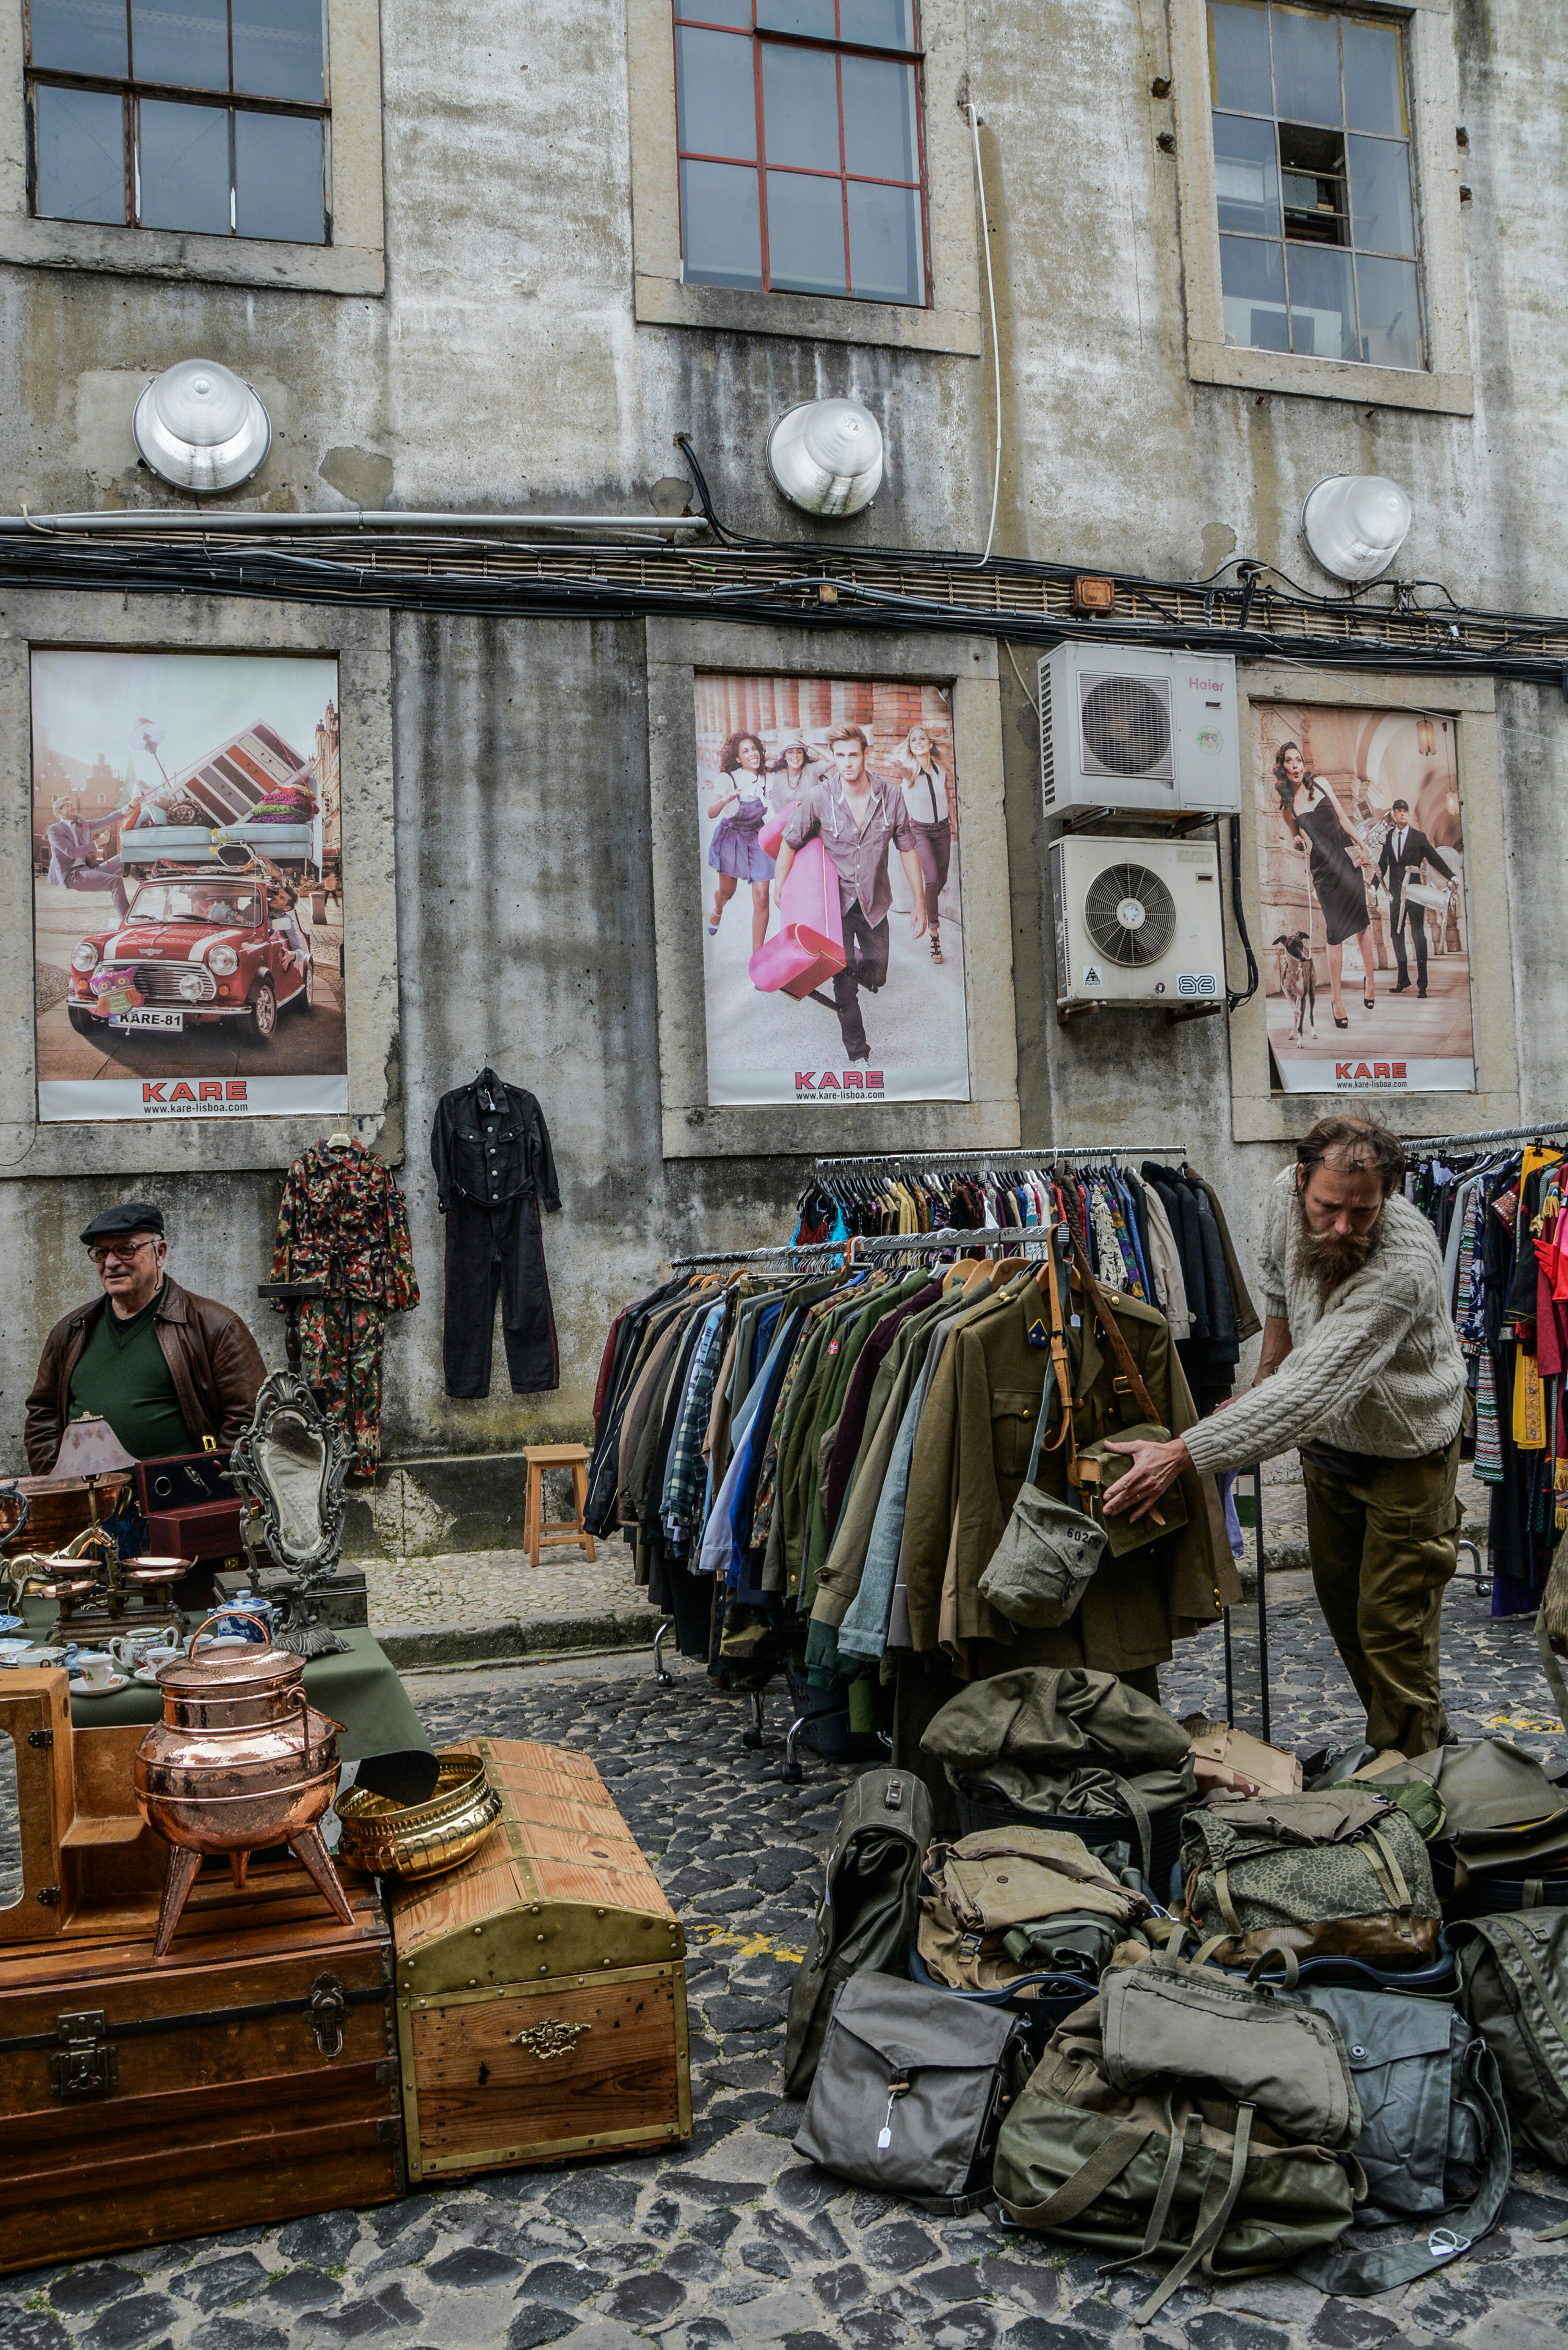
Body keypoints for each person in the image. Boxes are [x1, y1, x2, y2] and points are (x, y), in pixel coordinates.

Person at [1099, 1116, 1467, 1758]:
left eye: (1364, 1210)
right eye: (1329, 1206)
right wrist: (1265, 1370)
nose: (1344, 1225)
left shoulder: (1402, 1264)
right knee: (1349, 1616)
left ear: (1390, 1194)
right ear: (1302, 1180)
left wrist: (1183, 1452)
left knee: (1392, 1629)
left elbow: (1312, 1390)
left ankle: (1413, 1782)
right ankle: (1417, 1744)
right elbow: (1277, 1284)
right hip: (1332, 1449)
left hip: (1408, 1457)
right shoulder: (1280, 1197)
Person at [25, 1201, 266, 1471]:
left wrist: (208, 1486)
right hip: (89, 1505)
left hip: (177, 1505)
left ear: (160, 1253)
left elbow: (249, 1420)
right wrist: (58, 1484)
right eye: (102, 1253)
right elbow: (42, 1415)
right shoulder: (72, 1330)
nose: (112, 1263)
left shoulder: (214, 1326)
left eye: (126, 1250)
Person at [773, 725, 926, 1064]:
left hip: (875, 904)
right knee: (844, 988)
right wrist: (779, 885)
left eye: (853, 755)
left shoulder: (891, 796)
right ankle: (859, 1054)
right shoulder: (819, 797)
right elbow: (790, 839)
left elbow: (908, 848)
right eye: (840, 756)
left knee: (878, 976)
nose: (846, 763)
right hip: (835, 906)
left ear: (865, 754)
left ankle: (842, 962)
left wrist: (920, 902)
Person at [1273, 743, 1376, 1031]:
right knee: (1335, 933)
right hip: (1323, 869)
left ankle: (1371, 981)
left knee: (1362, 924)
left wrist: (1363, 845)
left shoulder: (1321, 784)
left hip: (1346, 859)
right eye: (1290, 762)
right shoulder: (1288, 807)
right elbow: (1296, 837)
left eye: (1299, 760)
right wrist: (1296, 840)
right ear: (1283, 767)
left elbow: (1343, 819)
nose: (1296, 766)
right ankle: (1337, 1001)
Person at [1377, 797, 1457, 1000]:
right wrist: (1373, 885)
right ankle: (1403, 978)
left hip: (1414, 894)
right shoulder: (1388, 837)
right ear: (1394, 815)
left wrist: (1451, 876)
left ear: (1408, 814)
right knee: (1396, 935)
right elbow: (1382, 864)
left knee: (1418, 935)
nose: (1403, 814)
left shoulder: (1418, 837)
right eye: (1399, 811)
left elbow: (1434, 858)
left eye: (1406, 811)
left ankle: (1423, 984)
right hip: (1395, 895)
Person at [890, 723, 955, 965]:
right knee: (931, 879)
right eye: (913, 740)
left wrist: (955, 824)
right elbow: (905, 773)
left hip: (942, 830)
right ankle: (935, 935)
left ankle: (927, 905)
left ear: (930, 744)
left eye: (922, 739)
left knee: (942, 880)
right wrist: (901, 769)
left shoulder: (940, 771)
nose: (917, 742)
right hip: (920, 831)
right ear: (911, 747)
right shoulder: (911, 771)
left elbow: (947, 798)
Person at [706, 731, 774, 955]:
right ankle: (717, 908)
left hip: (756, 837)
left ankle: (758, 958)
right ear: (737, 758)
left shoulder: (767, 778)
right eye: (746, 751)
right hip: (731, 839)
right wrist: (726, 798)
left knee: (763, 897)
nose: (752, 753)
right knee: (727, 893)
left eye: (754, 749)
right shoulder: (728, 779)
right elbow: (711, 812)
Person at [45, 792, 130, 924]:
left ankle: (146, 885)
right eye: (68, 805)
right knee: (116, 882)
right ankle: (126, 921)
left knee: (124, 857)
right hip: (73, 875)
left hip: (89, 869)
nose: (73, 806)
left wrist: (129, 807)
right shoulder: (54, 830)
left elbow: (106, 820)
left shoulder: (81, 824)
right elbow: (71, 853)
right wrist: (97, 843)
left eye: (73, 804)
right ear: (60, 811)